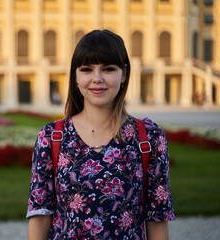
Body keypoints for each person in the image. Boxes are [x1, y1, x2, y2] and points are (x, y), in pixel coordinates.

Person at [26, 29, 175, 239]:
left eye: (108, 69)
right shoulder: (51, 137)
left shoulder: (149, 138)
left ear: (124, 74)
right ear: (75, 76)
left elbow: (157, 219)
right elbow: (40, 216)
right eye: (86, 69)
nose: (97, 78)